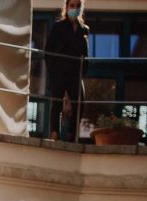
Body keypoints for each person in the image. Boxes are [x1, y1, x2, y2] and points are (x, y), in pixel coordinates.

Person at [44, 0, 89, 142]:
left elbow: (85, 54)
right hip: (60, 71)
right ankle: (54, 133)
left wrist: (83, 70)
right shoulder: (58, 27)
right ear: (67, 7)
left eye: (78, 6)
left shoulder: (83, 29)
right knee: (57, 102)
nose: (75, 9)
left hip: (75, 73)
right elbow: (48, 51)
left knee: (80, 102)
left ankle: (71, 134)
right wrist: (53, 71)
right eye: (72, 6)